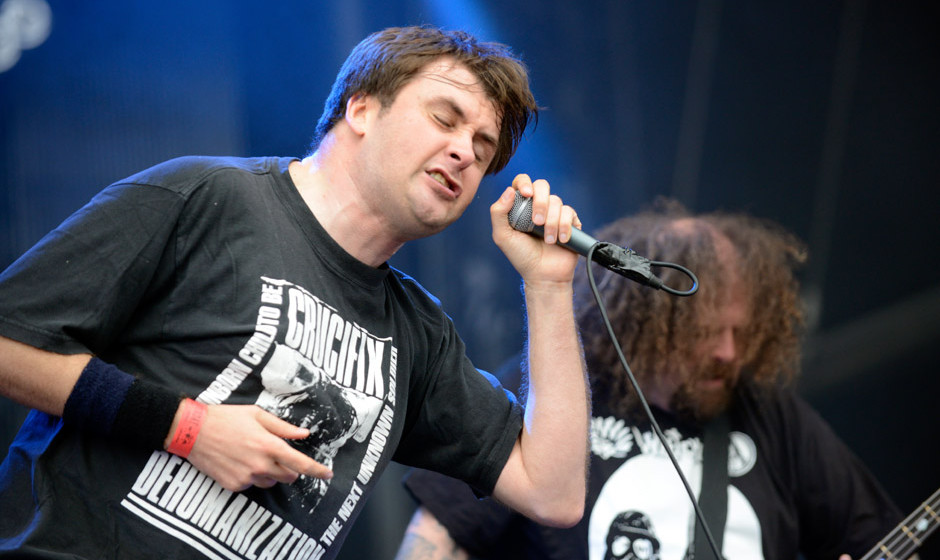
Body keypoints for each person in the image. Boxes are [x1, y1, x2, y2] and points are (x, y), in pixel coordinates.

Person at [0, 26, 590, 559]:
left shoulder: (418, 335)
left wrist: (548, 284)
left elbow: (553, 492)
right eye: (444, 118)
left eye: (482, 149)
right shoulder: (209, 197)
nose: (465, 151)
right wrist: (186, 427)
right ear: (361, 107)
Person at [395, 200, 909, 560]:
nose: (729, 353)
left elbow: (874, 536)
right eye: (707, 334)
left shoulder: (772, 417)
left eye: (741, 333)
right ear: (646, 327)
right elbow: (439, 538)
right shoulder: (553, 389)